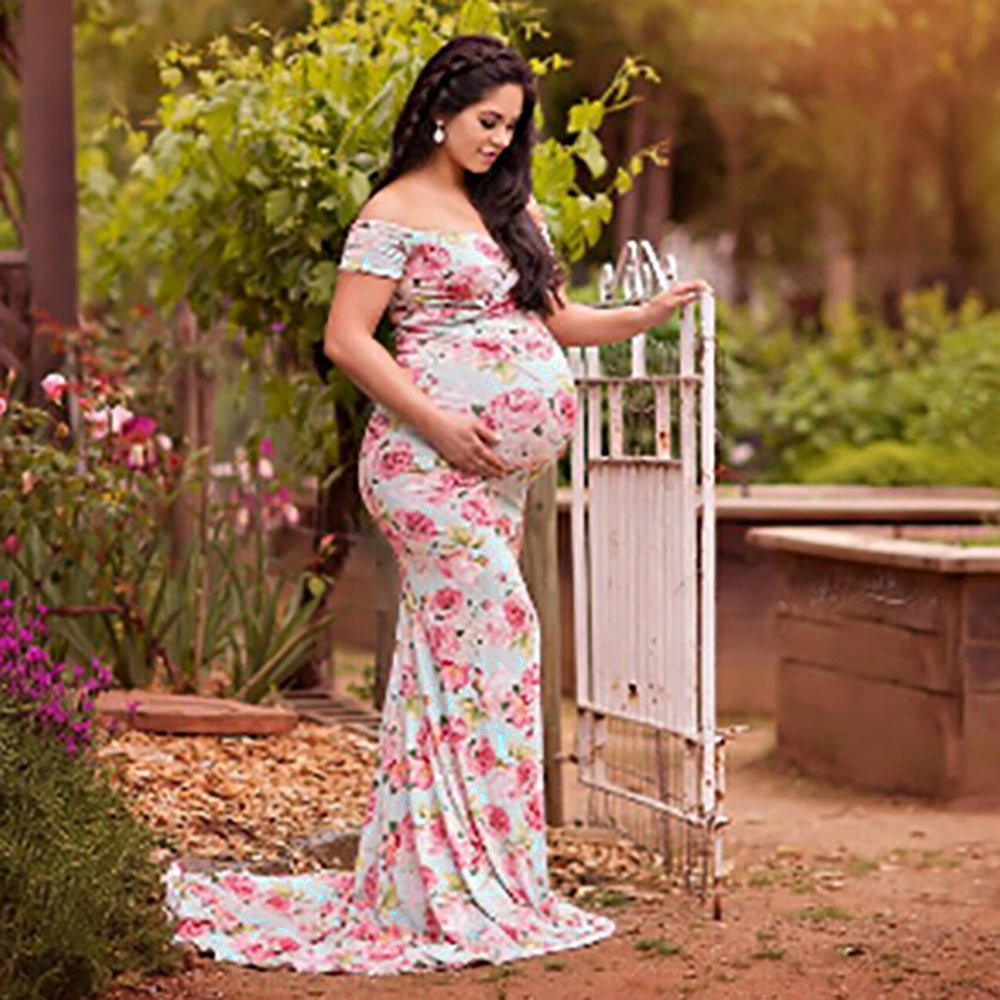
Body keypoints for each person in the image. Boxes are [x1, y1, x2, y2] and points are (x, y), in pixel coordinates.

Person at [164, 33, 706, 976]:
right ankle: (467, 877)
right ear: (441, 109)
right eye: (488, 121)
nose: (501, 140)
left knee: (443, 666)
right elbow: (348, 340)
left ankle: (442, 877)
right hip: (422, 466)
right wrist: (444, 424)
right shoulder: (392, 212)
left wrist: (639, 321)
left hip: (496, 478)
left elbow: (552, 320)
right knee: (505, 632)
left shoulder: (507, 206)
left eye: (513, 126)